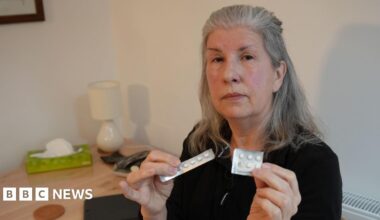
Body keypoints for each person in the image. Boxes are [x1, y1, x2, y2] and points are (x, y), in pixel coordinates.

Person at [119, 5, 342, 220]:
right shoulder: (201, 142)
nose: (229, 74)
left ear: (278, 74)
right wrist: (155, 213)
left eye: (247, 57)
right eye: (217, 59)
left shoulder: (316, 165)